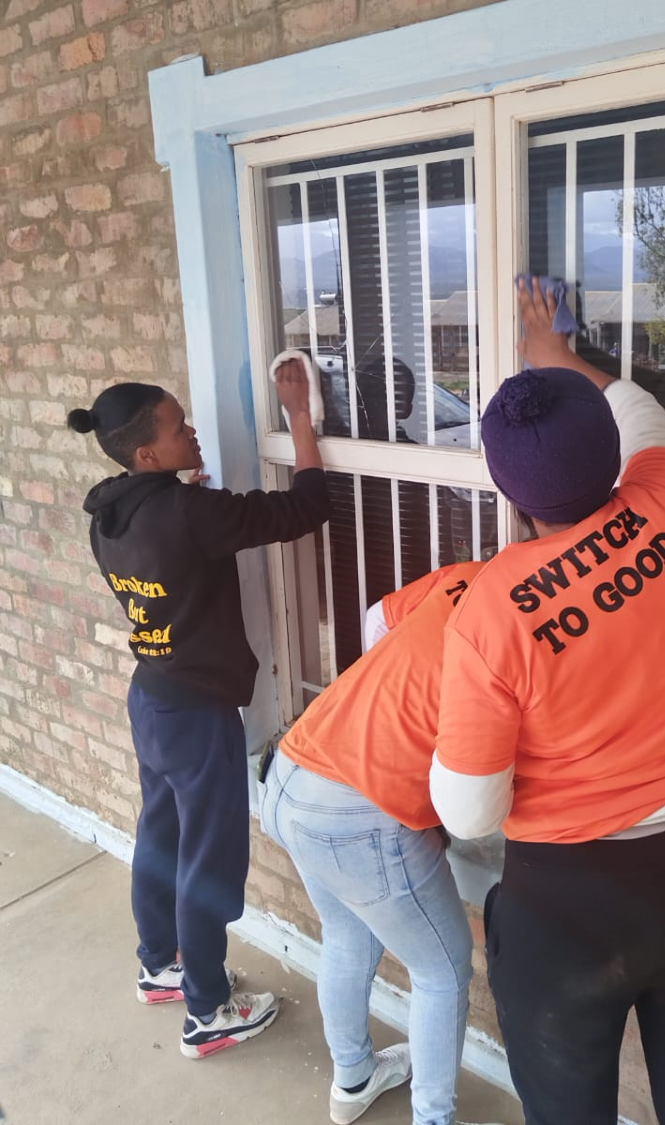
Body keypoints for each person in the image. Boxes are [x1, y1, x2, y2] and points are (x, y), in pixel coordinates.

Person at [429, 278, 665, 1125]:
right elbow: (638, 406)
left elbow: (468, 811)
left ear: (510, 492)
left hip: (569, 910)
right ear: (610, 451)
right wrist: (555, 354)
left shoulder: (494, 607)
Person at [67, 361, 329, 1059]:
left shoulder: (109, 511)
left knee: (161, 836)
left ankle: (161, 965)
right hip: (196, 711)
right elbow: (304, 509)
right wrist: (300, 417)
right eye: (178, 427)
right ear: (148, 454)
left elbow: (174, 551)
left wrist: (190, 505)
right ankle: (209, 1009)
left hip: (151, 696)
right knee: (210, 860)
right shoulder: (188, 512)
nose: (191, 430)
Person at [259, 561, 504, 1125]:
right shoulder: (537, 622)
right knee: (441, 973)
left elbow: (376, 622)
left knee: (347, 935)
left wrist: (389, 716)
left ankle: (353, 1079)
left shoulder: (473, 573)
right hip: (356, 813)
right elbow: (474, 806)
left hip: (291, 771)